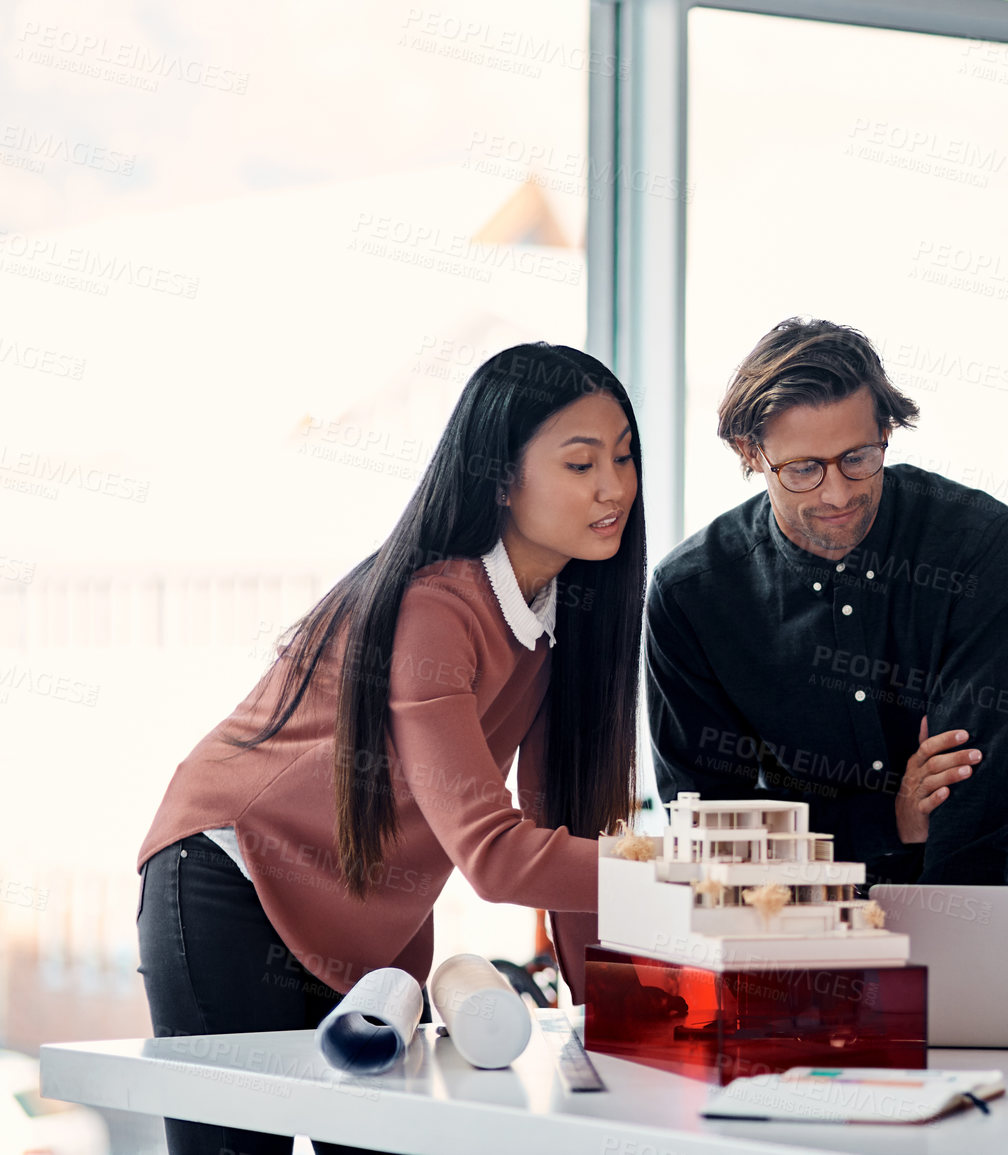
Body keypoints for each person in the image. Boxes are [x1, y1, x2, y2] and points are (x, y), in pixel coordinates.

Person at [135, 343, 645, 1155]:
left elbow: (562, 838)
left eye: (623, 457)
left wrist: (612, 1028)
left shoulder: (563, 618)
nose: (614, 486)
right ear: (502, 478)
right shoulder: (435, 605)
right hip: (234, 876)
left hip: (373, 917)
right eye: (581, 463)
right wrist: (692, 877)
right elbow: (496, 857)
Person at [646, 318, 1008, 886]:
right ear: (750, 452)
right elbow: (710, 831)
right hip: (786, 929)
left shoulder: (977, 544)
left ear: (886, 429)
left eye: (858, 457)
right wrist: (889, 821)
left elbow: (978, 790)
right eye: (804, 469)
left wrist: (956, 957)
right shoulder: (691, 595)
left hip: (979, 909)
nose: (838, 494)